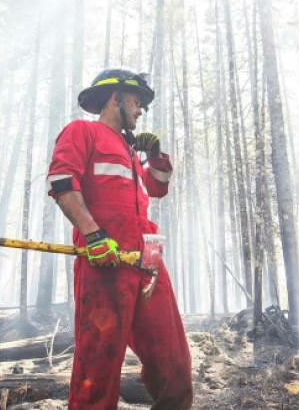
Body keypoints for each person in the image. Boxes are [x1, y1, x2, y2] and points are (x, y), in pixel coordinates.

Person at [46, 69, 193, 410]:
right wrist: (93, 235)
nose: (141, 111)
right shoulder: (83, 132)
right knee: (97, 367)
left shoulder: (131, 151)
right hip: (105, 261)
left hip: (148, 261)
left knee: (175, 364)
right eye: (137, 102)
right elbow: (62, 179)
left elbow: (157, 186)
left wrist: (155, 153)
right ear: (116, 98)